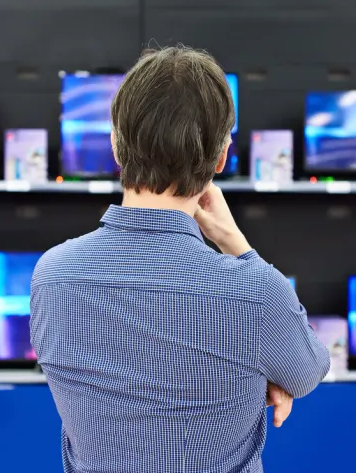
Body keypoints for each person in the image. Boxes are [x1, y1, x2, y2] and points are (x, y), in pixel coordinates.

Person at [30, 45, 330, 473]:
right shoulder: (255, 294)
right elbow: (308, 369)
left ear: (116, 145)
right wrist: (237, 246)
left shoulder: (53, 276)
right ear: (221, 156)